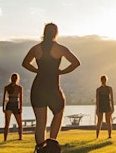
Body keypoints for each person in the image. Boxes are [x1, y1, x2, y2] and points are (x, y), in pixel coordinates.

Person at [22, 23, 80, 152]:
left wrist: (37, 70)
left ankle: (40, 149)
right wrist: (61, 71)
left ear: (44, 32)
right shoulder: (60, 48)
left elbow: (25, 63)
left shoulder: (36, 49)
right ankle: (52, 145)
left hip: (38, 87)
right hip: (53, 87)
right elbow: (76, 63)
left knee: (40, 122)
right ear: (56, 33)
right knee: (58, 113)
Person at [2, 73, 23, 141]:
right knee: (7, 123)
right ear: (11, 78)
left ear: (17, 79)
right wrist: (3, 107)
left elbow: (20, 99)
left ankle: (20, 137)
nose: (14, 79)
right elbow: (4, 98)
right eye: (13, 78)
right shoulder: (7, 87)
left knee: (19, 123)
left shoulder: (19, 88)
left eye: (15, 78)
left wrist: (20, 107)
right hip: (9, 104)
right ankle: (5, 138)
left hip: (16, 105)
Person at [96, 74, 114, 139]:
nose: (103, 81)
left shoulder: (109, 88)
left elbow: (111, 99)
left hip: (107, 106)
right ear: (101, 80)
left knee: (108, 121)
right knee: (99, 121)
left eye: (104, 80)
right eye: (103, 80)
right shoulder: (98, 89)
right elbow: (97, 100)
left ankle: (109, 136)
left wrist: (113, 108)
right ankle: (97, 136)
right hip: (101, 106)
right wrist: (97, 109)